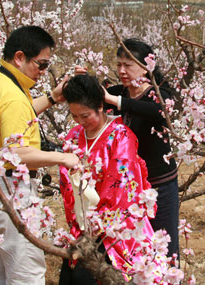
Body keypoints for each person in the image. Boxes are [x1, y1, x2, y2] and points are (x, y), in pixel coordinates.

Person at [0, 25, 80, 285]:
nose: (43, 72)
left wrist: (52, 97)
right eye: (40, 64)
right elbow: (17, 151)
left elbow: (17, 116)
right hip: (12, 191)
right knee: (26, 275)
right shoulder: (12, 95)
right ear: (19, 57)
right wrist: (63, 158)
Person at [76, 38, 179, 259]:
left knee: (163, 246)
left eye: (128, 65)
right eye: (119, 65)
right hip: (129, 187)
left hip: (159, 183)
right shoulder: (118, 92)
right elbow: (94, 96)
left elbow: (157, 111)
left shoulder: (158, 94)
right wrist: (83, 80)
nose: (122, 71)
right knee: (132, 248)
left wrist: (114, 100)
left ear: (145, 66)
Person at [59, 74, 156, 284]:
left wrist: (96, 225)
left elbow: (121, 188)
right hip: (83, 224)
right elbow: (67, 183)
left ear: (101, 106)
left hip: (117, 226)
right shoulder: (73, 136)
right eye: (74, 117)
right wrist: (80, 224)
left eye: (85, 116)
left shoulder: (121, 136)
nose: (80, 122)